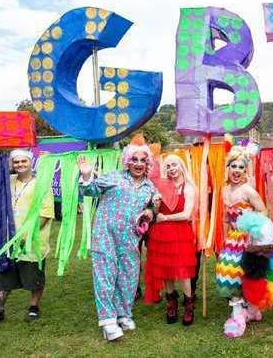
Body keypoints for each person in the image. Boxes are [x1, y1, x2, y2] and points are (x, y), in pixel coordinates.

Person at [79, 138, 160, 341]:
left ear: (148, 163)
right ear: (127, 161)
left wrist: (150, 212)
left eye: (143, 160)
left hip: (130, 237)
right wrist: (87, 176)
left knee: (129, 276)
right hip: (105, 234)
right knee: (105, 274)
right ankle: (108, 321)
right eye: (135, 159)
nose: (139, 164)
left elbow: (152, 210)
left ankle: (124, 314)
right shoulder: (114, 177)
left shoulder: (150, 187)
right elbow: (90, 190)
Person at [0, 149, 55, 330]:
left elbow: (46, 214)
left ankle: (34, 307)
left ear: (30, 162)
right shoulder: (8, 182)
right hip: (8, 240)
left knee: (34, 276)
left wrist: (26, 236)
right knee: (5, 275)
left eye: (23, 161)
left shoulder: (41, 184)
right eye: (16, 162)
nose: (19, 165)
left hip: (32, 241)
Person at [215, 147, 273, 338]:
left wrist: (249, 221)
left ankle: (244, 313)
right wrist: (225, 239)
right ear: (227, 168)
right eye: (232, 166)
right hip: (232, 239)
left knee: (245, 274)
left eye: (240, 167)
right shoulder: (225, 190)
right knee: (229, 274)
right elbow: (226, 219)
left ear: (245, 170)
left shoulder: (248, 190)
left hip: (248, 239)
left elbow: (264, 212)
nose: (236, 170)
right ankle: (244, 311)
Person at [145, 154, 198, 326]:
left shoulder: (188, 188)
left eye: (174, 165)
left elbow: (186, 214)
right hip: (161, 235)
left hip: (180, 233)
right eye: (167, 166)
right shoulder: (162, 186)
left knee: (183, 272)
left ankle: (189, 306)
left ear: (181, 166)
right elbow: (156, 210)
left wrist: (166, 218)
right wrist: (156, 203)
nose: (171, 169)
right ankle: (171, 305)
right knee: (165, 270)